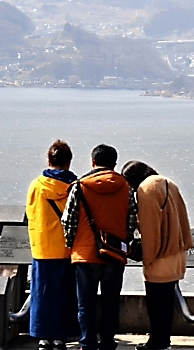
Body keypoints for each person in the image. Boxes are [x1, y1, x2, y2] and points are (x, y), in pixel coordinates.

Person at [62, 145, 137, 350]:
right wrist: (123, 244)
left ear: (93, 162)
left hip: (85, 255)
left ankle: (87, 342)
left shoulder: (80, 186)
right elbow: (132, 222)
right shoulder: (126, 188)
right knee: (110, 302)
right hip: (114, 255)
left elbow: (68, 221)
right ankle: (107, 341)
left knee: (85, 303)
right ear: (115, 163)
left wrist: (72, 246)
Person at [121, 161, 193, 350]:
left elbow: (150, 228)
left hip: (160, 256)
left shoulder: (146, 190)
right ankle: (163, 340)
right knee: (167, 302)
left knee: (156, 304)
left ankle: (157, 342)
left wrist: (148, 258)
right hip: (177, 253)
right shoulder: (168, 182)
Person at [26, 140, 79, 350]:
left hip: (42, 247)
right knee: (65, 293)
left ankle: (42, 336)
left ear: (49, 160)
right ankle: (61, 337)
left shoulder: (37, 185)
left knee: (42, 292)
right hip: (67, 249)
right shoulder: (74, 186)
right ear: (68, 162)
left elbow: (30, 213)